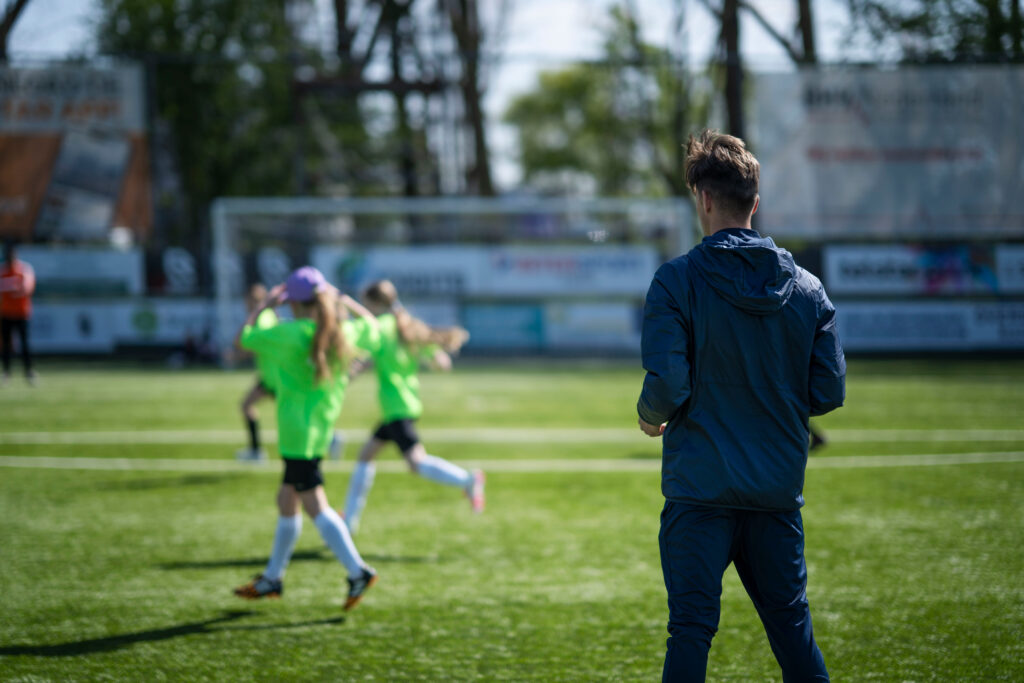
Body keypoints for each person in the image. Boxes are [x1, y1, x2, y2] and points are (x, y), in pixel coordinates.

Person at [636, 129, 845, 681]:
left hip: (700, 490)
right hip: (775, 492)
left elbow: (668, 384)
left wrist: (649, 416)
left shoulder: (675, 280)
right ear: (755, 201)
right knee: (793, 631)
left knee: (690, 631)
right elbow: (829, 390)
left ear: (703, 198)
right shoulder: (808, 289)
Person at [232, 266, 380, 611]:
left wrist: (265, 305)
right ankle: (273, 577)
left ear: (293, 303)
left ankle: (358, 571)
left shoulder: (289, 333)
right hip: (318, 430)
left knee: (315, 506)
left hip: (296, 435)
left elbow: (243, 338)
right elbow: (373, 327)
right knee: (287, 500)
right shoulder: (343, 330)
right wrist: (347, 302)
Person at [342, 279, 482, 535]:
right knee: (366, 455)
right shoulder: (408, 324)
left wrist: (348, 374)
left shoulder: (380, 327)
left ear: (374, 304)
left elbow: (361, 357)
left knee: (416, 462)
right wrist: (436, 357)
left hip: (396, 407)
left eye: (366, 303)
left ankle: (467, 479)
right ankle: (349, 519)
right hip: (404, 403)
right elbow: (441, 362)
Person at [236, 284, 278, 462]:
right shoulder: (268, 316)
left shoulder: (262, 318)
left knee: (247, 406)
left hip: (274, 377)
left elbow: (252, 343)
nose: (245, 303)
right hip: (272, 375)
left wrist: (237, 356)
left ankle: (256, 452)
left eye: (249, 299)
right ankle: (255, 451)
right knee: (247, 406)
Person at [1, 242, 37, 385]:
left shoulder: (24, 269)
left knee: (25, 344)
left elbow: (26, 288)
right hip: (6, 313)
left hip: (22, 313)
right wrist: (12, 287)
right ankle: (6, 372)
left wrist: (11, 288)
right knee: (6, 345)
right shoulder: (2, 270)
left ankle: (29, 372)